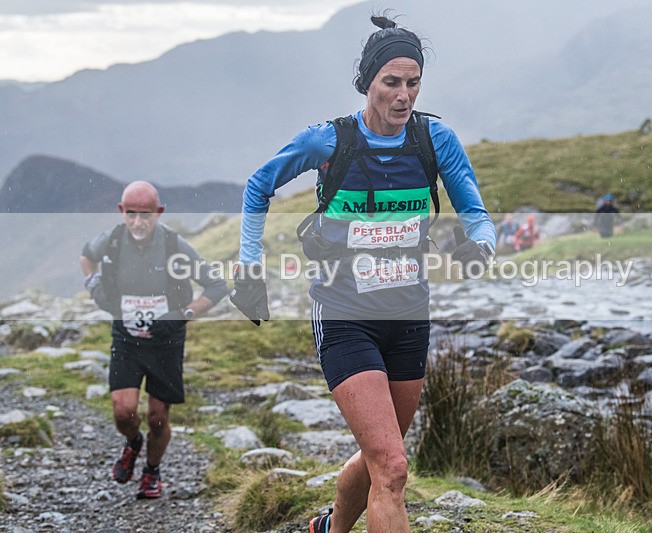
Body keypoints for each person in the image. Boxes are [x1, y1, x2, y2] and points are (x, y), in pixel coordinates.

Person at [228, 14, 495, 533]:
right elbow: (257, 185)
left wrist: (480, 246)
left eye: (412, 83)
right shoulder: (327, 141)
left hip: (409, 317)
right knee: (393, 467)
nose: (403, 95)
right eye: (390, 83)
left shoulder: (435, 139)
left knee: (380, 456)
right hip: (345, 316)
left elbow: (477, 215)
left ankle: (328, 528)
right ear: (367, 84)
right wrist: (249, 266)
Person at [79, 181, 227, 499]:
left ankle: (151, 471)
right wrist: (94, 286)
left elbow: (216, 286)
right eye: (131, 214)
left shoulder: (175, 246)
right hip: (127, 338)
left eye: (145, 215)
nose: (138, 222)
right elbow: (86, 257)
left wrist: (183, 312)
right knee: (123, 412)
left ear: (158, 213)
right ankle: (133, 443)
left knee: (158, 419)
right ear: (122, 212)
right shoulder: (114, 241)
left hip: (165, 342)